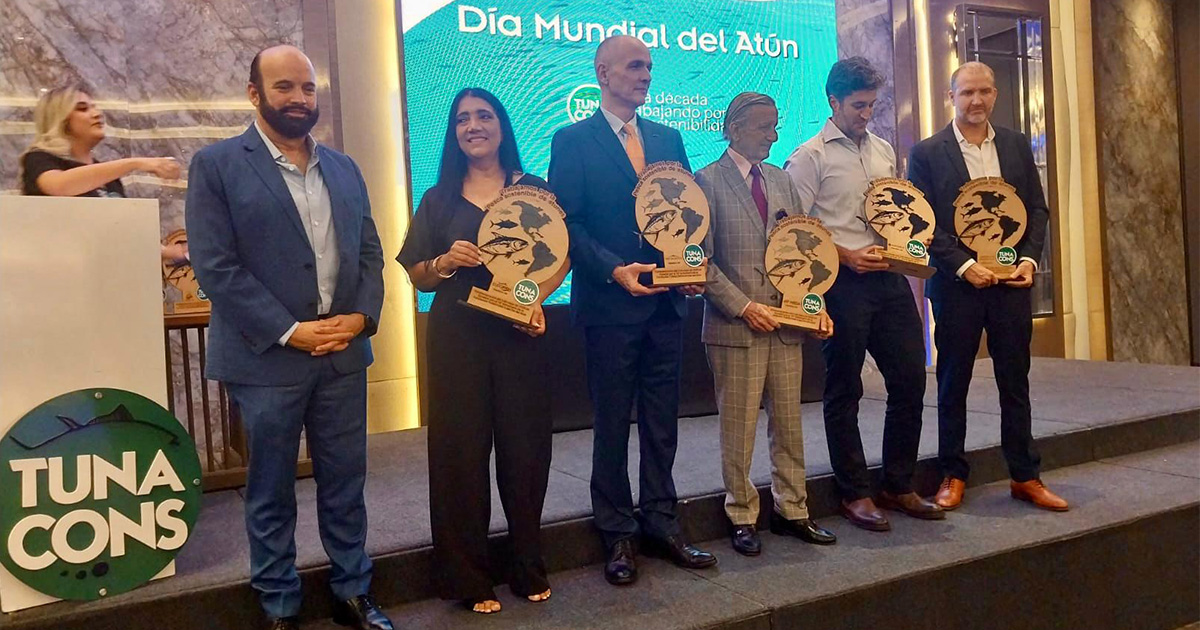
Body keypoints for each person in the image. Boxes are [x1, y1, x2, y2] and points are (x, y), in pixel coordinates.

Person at [185, 45, 390, 630]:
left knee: (345, 483)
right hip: (266, 360)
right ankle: (279, 603)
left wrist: (361, 317)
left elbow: (369, 253)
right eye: (284, 87)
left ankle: (353, 592)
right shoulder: (217, 165)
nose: (299, 98)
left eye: (306, 87)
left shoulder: (344, 168)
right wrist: (289, 331)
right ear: (254, 94)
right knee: (270, 489)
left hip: (343, 354)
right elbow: (216, 266)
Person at [548, 35, 716, 586]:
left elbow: (688, 217)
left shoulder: (669, 138)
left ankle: (663, 522)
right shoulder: (572, 140)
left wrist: (691, 268)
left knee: (663, 423)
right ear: (603, 73)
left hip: (667, 307)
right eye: (635, 65)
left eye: (649, 66)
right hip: (609, 306)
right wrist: (614, 269)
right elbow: (568, 223)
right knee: (612, 424)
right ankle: (617, 532)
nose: (646, 75)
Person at [397, 88, 568, 614]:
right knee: (460, 455)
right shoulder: (439, 198)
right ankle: (467, 577)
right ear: (454, 133)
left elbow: (562, 256)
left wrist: (534, 299)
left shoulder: (534, 190)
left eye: (484, 116)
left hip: (518, 334)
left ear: (501, 125)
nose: (473, 126)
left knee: (526, 452)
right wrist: (445, 261)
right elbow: (418, 275)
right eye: (463, 119)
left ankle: (526, 565)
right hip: (458, 337)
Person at [785, 57, 944, 532]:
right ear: (833, 101)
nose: (867, 114)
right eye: (858, 105)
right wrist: (846, 256)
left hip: (890, 278)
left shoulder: (882, 150)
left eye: (872, 104)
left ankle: (898, 483)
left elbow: (893, 212)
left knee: (910, 379)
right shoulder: (808, 157)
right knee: (845, 388)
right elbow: (795, 229)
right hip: (841, 282)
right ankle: (854, 492)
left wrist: (910, 241)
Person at [907, 61, 1066, 512]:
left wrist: (1029, 260)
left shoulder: (1015, 144)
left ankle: (1025, 476)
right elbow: (922, 222)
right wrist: (964, 266)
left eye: (984, 92)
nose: (976, 100)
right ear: (951, 97)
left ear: (995, 94)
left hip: (1010, 285)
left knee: (1015, 382)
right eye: (967, 93)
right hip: (957, 287)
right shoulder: (926, 153)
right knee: (952, 381)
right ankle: (953, 474)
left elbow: (1036, 210)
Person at [696, 92, 837, 556]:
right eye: (764, 127)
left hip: (787, 327)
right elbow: (699, 261)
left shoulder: (782, 180)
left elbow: (801, 250)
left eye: (776, 126)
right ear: (734, 128)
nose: (773, 136)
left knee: (790, 424)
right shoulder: (705, 182)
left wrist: (813, 306)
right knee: (738, 430)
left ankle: (792, 509)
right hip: (735, 328)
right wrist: (742, 306)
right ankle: (741, 515)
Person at [19, 83, 180, 198]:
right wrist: (134, 163)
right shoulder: (39, 159)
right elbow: (59, 186)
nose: (97, 114)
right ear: (60, 120)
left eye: (95, 107)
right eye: (83, 108)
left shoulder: (110, 177)